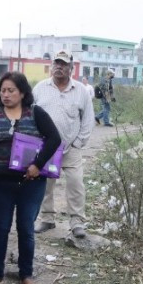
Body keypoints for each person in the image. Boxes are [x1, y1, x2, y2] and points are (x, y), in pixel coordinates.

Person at [0, 72, 61, 284]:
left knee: (26, 228)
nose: (5, 95)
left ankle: (26, 274)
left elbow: (55, 139)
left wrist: (37, 164)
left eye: (11, 90)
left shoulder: (36, 113)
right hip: (1, 183)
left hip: (31, 184)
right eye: (3, 90)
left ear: (23, 93)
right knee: (1, 228)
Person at [34, 51, 94, 238]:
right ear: (52, 66)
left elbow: (88, 120)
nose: (59, 67)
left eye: (63, 64)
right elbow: (31, 116)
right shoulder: (40, 88)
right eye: (56, 64)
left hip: (71, 147)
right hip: (47, 147)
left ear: (71, 68)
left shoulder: (81, 91)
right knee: (46, 185)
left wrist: (78, 142)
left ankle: (77, 222)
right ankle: (47, 219)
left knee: (76, 183)